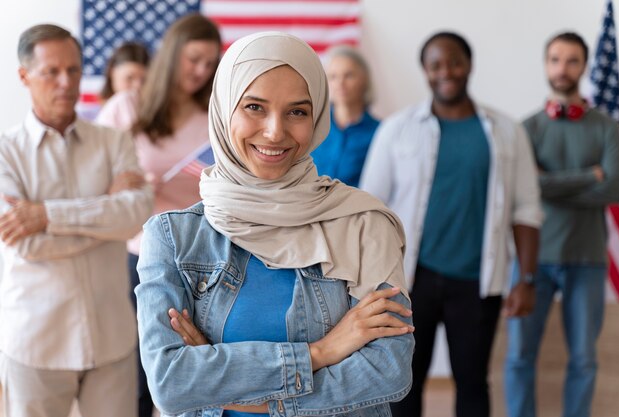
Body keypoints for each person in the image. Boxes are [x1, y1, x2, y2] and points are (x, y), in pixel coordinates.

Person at [135, 31, 415, 417]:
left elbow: (389, 372)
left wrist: (229, 390)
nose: (274, 131)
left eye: (297, 111)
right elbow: (170, 383)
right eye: (254, 107)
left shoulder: (364, 224)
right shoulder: (173, 237)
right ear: (224, 108)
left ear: (316, 118)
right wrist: (321, 353)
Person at [360, 31, 543, 417]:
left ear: (469, 65)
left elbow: (526, 209)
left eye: (454, 62)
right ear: (425, 71)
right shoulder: (397, 128)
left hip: (478, 282)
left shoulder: (507, 132)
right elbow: (370, 208)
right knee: (403, 380)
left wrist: (525, 279)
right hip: (409, 282)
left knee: (472, 380)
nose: (447, 71)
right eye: (436, 64)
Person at [0, 24, 153, 417]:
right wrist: (105, 212)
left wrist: (47, 214)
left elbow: (135, 217)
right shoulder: (6, 153)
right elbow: (26, 242)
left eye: (74, 69)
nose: (66, 82)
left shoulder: (113, 140)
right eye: (52, 71)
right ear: (24, 76)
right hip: (36, 344)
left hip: (112, 341)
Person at [96, 12, 221, 417]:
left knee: (189, 368)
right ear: (171, 54)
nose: (201, 71)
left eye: (210, 63)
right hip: (138, 254)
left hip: (199, 257)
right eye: (194, 59)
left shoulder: (214, 118)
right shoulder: (125, 107)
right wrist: (122, 186)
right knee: (137, 367)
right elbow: (89, 184)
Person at [504, 32, 619, 417]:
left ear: (584, 66)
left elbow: (613, 190)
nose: (563, 68)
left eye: (572, 60)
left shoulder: (606, 127)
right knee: (520, 356)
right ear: (545, 65)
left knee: (584, 359)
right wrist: (589, 175)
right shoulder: (527, 128)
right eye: (555, 59)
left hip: (586, 258)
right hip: (532, 260)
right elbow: (524, 190)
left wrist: (549, 184)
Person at [310, 45, 379, 187]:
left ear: (364, 80)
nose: (340, 83)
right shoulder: (312, 125)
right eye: (333, 77)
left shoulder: (380, 132)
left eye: (349, 75)